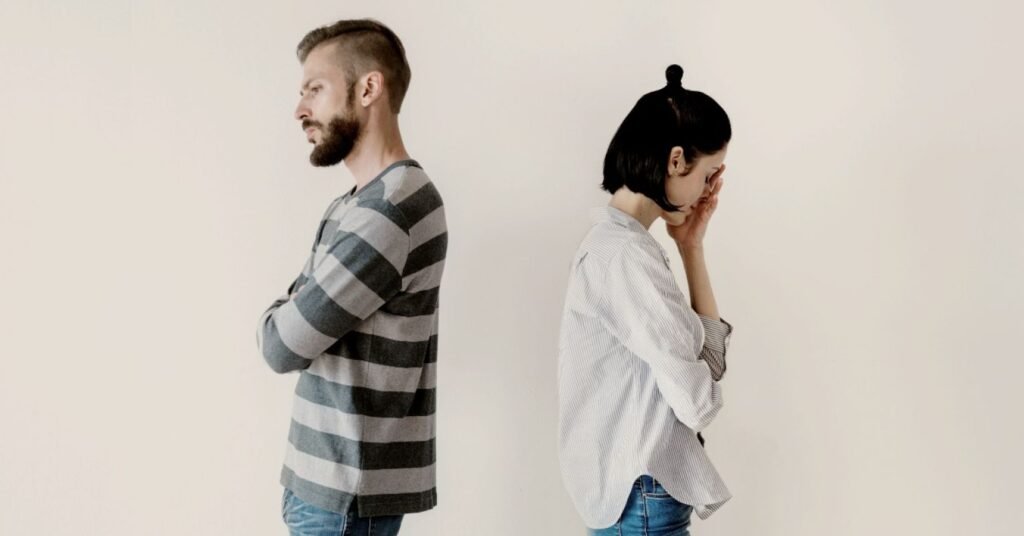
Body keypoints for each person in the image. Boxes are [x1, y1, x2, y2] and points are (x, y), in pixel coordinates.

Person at [256, 19, 447, 536]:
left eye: (314, 89)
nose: (300, 109)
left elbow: (281, 344)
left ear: (368, 88)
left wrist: (286, 310)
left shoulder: (392, 208)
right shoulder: (354, 205)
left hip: (345, 492)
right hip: (325, 484)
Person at [558, 64, 734, 535]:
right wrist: (700, 381)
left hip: (640, 496)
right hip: (642, 498)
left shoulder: (622, 248)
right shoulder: (626, 258)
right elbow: (699, 403)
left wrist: (691, 246)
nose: (708, 190)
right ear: (676, 161)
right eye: (709, 173)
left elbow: (708, 365)